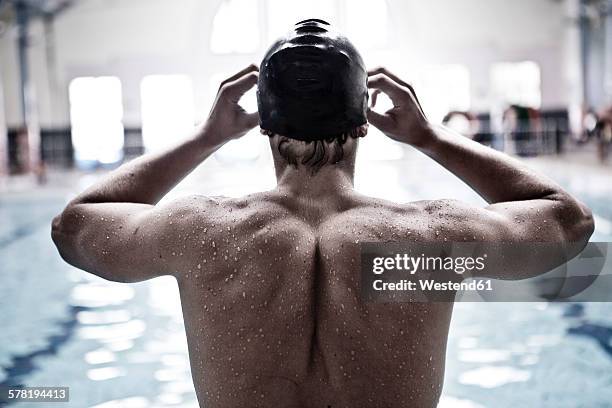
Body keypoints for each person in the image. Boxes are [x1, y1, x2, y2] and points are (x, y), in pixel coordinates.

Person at [52, 20, 594, 408]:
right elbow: (568, 223)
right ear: (365, 120)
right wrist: (431, 138)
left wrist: (205, 137)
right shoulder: (430, 236)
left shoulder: (200, 228)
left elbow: (75, 226)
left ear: (261, 121)